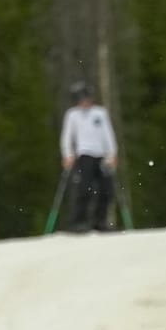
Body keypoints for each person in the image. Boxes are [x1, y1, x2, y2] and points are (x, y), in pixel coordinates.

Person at [60, 81, 119, 231]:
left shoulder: (100, 113)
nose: (85, 102)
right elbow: (67, 136)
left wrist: (112, 153)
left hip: (101, 156)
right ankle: (78, 222)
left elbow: (108, 134)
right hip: (84, 156)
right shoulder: (72, 115)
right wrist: (67, 154)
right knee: (84, 189)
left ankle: (100, 221)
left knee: (107, 189)